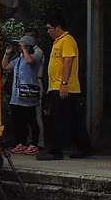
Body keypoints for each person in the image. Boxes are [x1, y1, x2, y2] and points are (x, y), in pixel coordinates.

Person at [37, 14, 95, 161]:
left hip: (64, 88)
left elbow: (68, 62)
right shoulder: (58, 41)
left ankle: (55, 151)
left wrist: (64, 83)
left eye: (50, 28)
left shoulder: (67, 40)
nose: (48, 31)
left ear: (58, 27)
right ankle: (85, 148)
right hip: (58, 87)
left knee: (58, 120)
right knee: (73, 120)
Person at [1, 34, 42, 154]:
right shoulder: (18, 60)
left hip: (28, 95)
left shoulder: (34, 56)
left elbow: (30, 61)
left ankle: (34, 143)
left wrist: (25, 50)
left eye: (22, 45)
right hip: (17, 95)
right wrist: (7, 53)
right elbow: (5, 66)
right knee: (19, 121)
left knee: (31, 120)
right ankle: (21, 142)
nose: (19, 48)